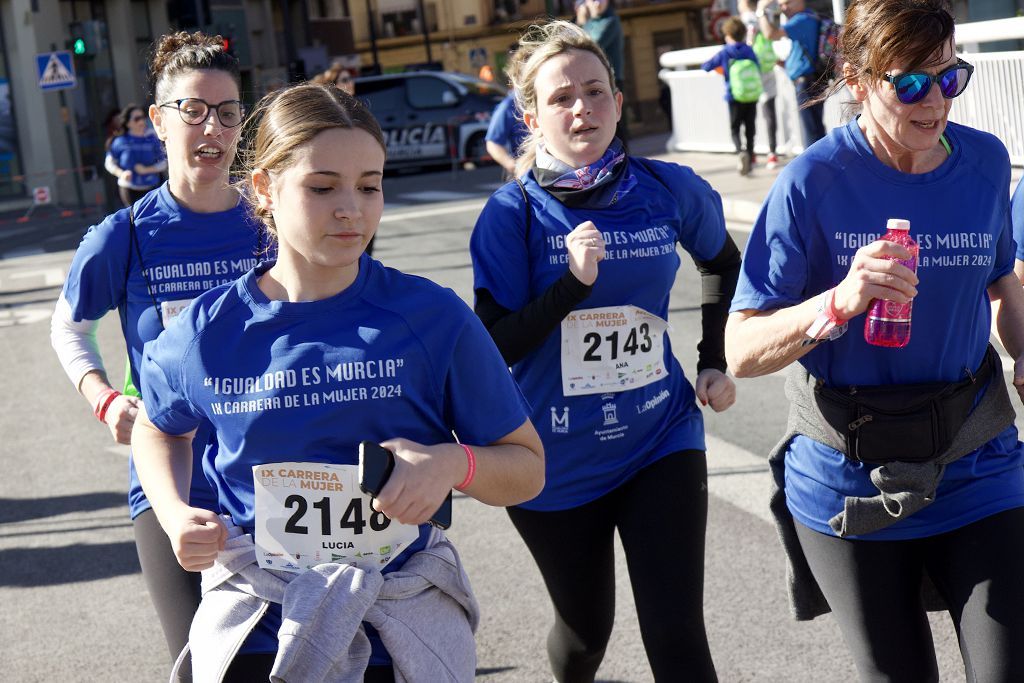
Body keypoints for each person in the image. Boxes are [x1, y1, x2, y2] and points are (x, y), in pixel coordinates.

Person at [131, 82, 545, 682]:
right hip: (259, 627)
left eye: (370, 185)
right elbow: (157, 426)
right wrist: (173, 513)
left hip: (394, 629)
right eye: (323, 188)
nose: (352, 208)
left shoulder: (431, 317)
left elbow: (527, 469)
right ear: (266, 187)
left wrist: (452, 465)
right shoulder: (207, 330)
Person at [726, 1, 1024, 680]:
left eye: (950, 77)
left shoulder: (982, 162)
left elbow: (1004, 283)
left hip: (975, 459)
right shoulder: (812, 183)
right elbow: (741, 349)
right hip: (849, 480)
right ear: (857, 80)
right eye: (910, 82)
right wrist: (838, 300)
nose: (935, 99)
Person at [470, 20, 738, 683]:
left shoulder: (668, 188)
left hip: (660, 435)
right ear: (532, 115)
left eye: (595, 91)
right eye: (562, 98)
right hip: (551, 458)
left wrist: (714, 357)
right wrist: (571, 285)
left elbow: (724, 264)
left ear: (617, 101)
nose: (582, 108)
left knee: (677, 631)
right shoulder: (513, 216)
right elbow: (496, 343)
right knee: (587, 630)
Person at [50, 31, 261, 681]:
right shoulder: (126, 234)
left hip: (267, 479)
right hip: (171, 485)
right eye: (193, 110)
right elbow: (68, 327)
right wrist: (103, 396)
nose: (213, 128)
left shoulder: (269, 220)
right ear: (160, 123)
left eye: (228, 112)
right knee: (202, 667)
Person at [755, 0, 826, 149]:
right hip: (813, 78)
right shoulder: (810, 17)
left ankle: (815, 167)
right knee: (815, 127)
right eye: (780, 5)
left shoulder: (802, 19)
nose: (783, 8)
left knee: (811, 131)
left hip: (806, 82)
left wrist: (761, 11)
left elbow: (770, 34)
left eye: (787, 3)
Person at [701, 16, 761, 176]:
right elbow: (758, 68)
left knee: (735, 127)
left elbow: (706, 66)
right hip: (751, 95)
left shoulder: (726, 52)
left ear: (728, 35)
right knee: (750, 126)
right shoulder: (749, 50)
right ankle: (750, 153)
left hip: (733, 95)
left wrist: (720, 69)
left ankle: (740, 151)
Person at [575, 0, 628, 143]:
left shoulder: (610, 20)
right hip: (592, 80)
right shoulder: (590, 22)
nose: (598, 3)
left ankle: (622, 160)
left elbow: (589, 47)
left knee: (615, 124)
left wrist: (581, 23)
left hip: (612, 79)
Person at [740, 0, 780, 169]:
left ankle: (751, 152)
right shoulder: (766, 12)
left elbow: (744, 42)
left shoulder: (744, 19)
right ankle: (772, 152)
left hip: (749, 70)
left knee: (749, 113)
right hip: (767, 66)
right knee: (769, 111)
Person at [105, 103, 167, 206]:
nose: (142, 121)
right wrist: (121, 173)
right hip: (130, 189)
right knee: (136, 220)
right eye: (137, 119)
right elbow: (109, 163)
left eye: (143, 117)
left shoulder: (152, 139)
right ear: (128, 123)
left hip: (153, 187)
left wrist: (146, 170)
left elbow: (163, 163)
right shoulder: (120, 141)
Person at [485, 48, 530, 179]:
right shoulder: (508, 105)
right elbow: (493, 143)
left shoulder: (546, 99)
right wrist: (513, 165)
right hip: (527, 175)